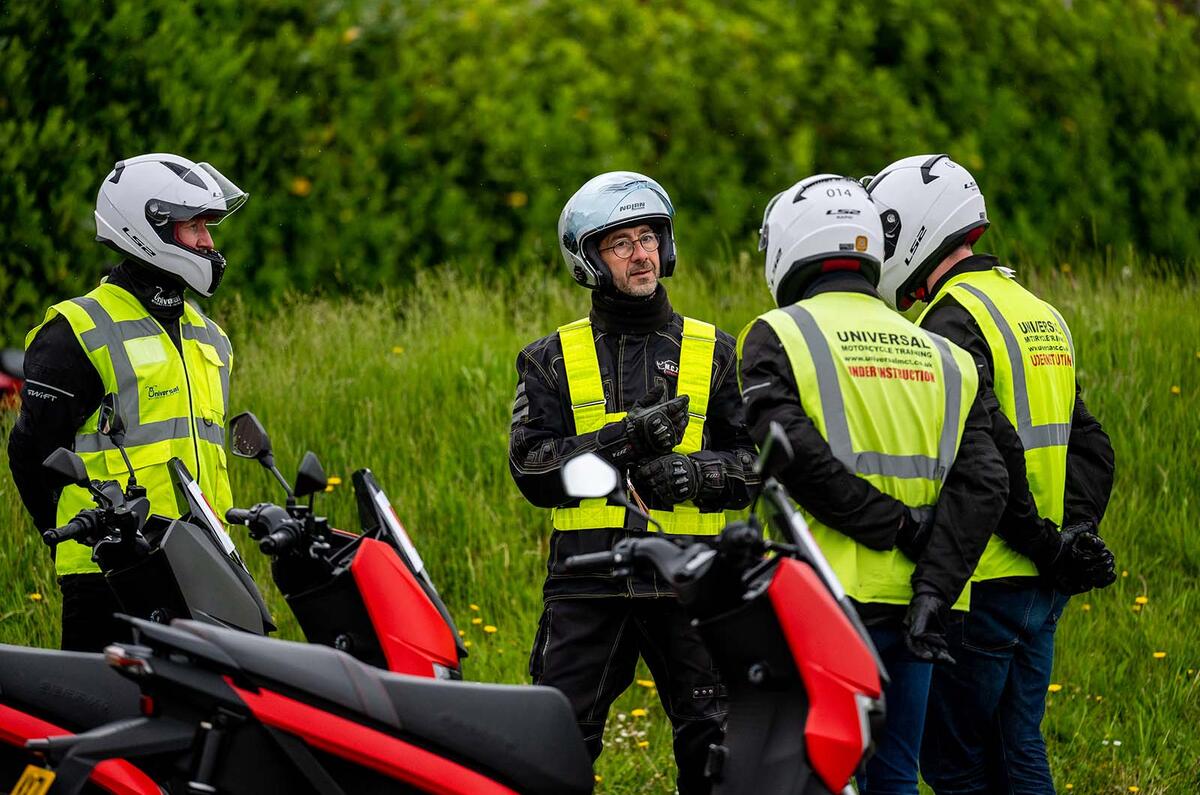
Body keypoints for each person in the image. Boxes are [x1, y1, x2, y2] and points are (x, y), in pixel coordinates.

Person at [738, 173, 1008, 794]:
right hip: (922, 606)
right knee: (894, 779)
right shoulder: (948, 356)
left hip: (821, 599)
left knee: (811, 776)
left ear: (788, 243)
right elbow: (985, 486)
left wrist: (893, 525)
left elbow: (794, 458)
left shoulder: (779, 334)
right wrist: (935, 586)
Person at [865, 154, 1116, 794]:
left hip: (983, 582)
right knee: (1020, 748)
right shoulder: (1039, 311)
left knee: (957, 767)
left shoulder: (949, 320)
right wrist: (1073, 538)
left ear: (920, 226)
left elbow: (989, 461)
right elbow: (1088, 440)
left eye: (888, 230)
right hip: (1043, 585)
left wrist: (1046, 542)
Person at [508, 171, 758, 794]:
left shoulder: (718, 351)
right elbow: (534, 471)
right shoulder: (549, 358)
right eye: (619, 243)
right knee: (552, 744)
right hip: (588, 583)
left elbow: (755, 466)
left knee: (717, 745)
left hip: (693, 582)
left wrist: (695, 472)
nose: (640, 253)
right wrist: (626, 441)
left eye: (648, 236)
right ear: (589, 259)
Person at [8, 153, 247, 652]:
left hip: (209, 569)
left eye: (208, 227)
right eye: (194, 226)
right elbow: (30, 453)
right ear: (147, 225)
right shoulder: (76, 330)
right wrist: (85, 538)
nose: (208, 241)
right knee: (111, 722)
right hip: (111, 573)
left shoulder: (211, 338)